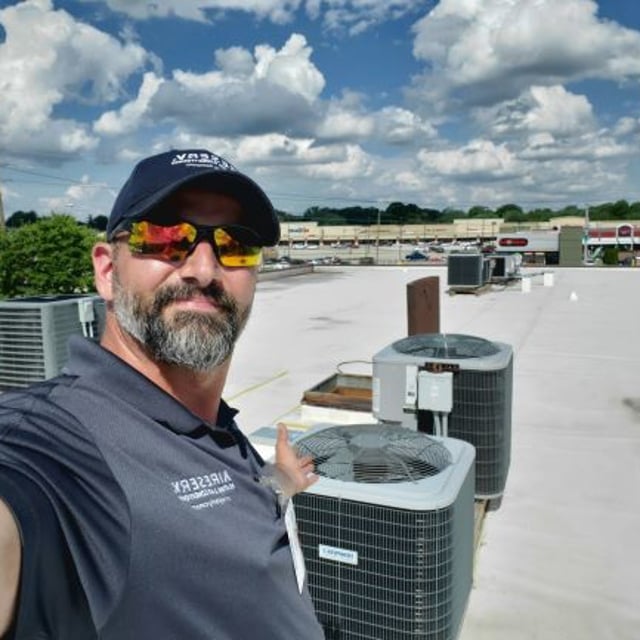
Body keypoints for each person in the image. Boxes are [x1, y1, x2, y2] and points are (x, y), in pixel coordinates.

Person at [0, 149, 325, 639]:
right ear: (107, 271)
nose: (203, 269)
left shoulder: (207, 424)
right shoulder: (55, 449)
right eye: (167, 237)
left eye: (236, 245)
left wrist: (277, 482)